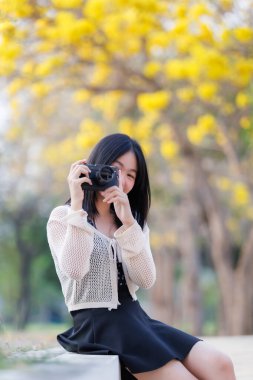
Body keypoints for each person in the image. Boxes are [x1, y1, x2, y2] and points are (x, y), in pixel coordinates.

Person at [47, 133, 236, 380]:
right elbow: (74, 269)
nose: (122, 181)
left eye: (131, 175)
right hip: (98, 326)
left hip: (136, 319)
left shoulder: (131, 221)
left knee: (221, 364)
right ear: (96, 166)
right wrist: (78, 206)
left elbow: (145, 280)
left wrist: (128, 225)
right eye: (115, 170)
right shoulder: (64, 217)